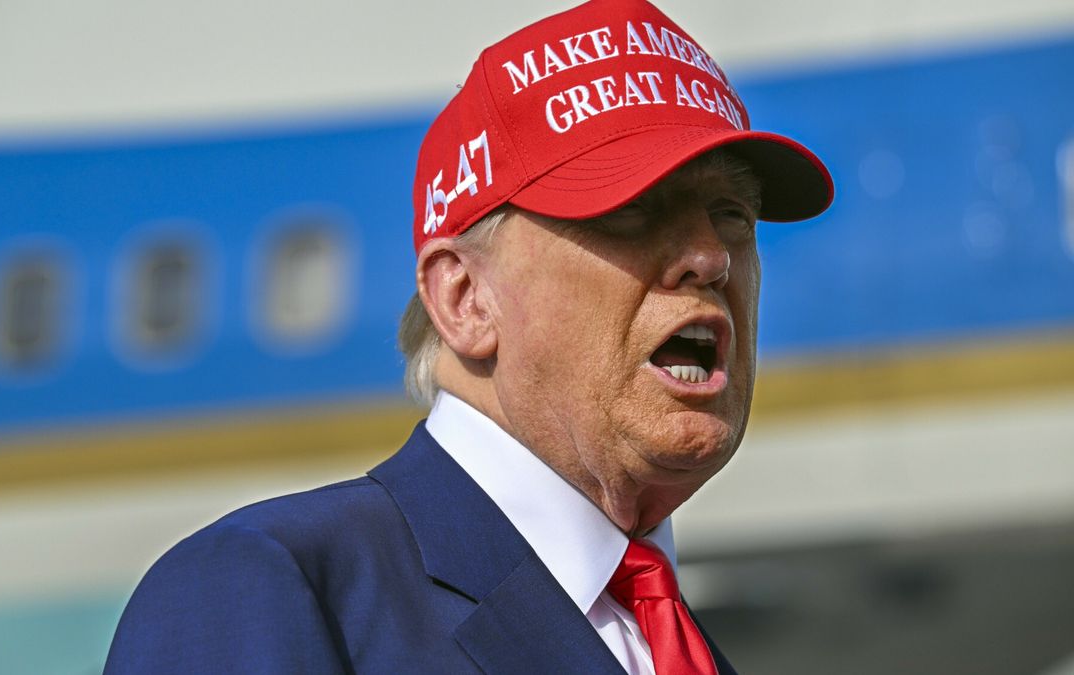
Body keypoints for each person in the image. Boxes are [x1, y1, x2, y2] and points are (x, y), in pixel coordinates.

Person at [104, 0, 832, 672]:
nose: (712, 256)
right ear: (466, 298)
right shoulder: (262, 588)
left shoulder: (680, 647)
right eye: (633, 209)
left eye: (732, 212)